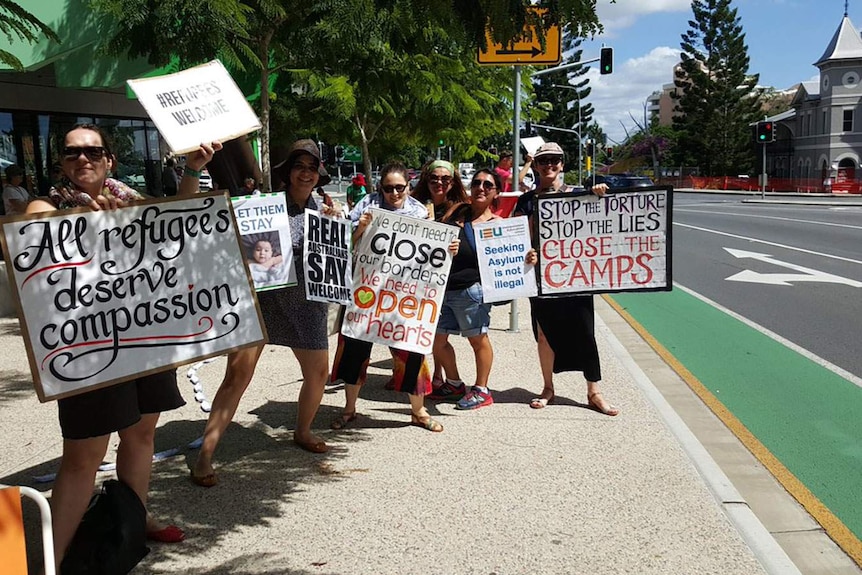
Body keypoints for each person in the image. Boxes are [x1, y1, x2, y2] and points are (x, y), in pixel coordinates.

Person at [25, 124, 188, 567]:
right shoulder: (47, 205)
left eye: (93, 151)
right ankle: (51, 561)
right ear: (61, 163)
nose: (83, 159)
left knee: (140, 434)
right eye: (72, 153)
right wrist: (87, 223)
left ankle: (130, 523)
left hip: (144, 338)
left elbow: (183, 226)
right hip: (88, 351)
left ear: (110, 160)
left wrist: (192, 169)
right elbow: (33, 239)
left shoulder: (133, 202)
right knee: (84, 455)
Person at [188, 139, 338, 489]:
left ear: (319, 175)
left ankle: (302, 431)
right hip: (261, 302)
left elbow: (339, 260)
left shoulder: (325, 211)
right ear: (288, 172)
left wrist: (346, 228)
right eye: (300, 165)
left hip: (307, 304)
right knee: (237, 376)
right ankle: (205, 454)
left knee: (318, 373)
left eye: (312, 167)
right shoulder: (264, 206)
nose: (306, 172)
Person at [330, 161, 458, 432]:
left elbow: (431, 253)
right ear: (381, 187)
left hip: (404, 296)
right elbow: (347, 245)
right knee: (355, 349)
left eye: (400, 187)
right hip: (367, 291)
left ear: (408, 187)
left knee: (412, 352)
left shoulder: (420, 212)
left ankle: (418, 411)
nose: (394, 193)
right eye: (388, 188)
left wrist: (449, 249)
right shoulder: (366, 205)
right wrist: (361, 228)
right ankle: (350, 409)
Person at [513, 142, 619, 416]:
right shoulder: (525, 202)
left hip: (577, 275)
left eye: (555, 160)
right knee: (544, 335)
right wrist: (528, 254)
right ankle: (548, 387)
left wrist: (599, 192)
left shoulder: (580, 195)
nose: (549, 165)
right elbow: (517, 239)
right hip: (541, 277)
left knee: (585, 332)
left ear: (562, 164)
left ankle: (594, 391)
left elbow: (610, 213)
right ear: (535, 165)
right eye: (543, 160)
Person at [431, 169, 503, 409]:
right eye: (477, 183)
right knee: (436, 340)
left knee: (477, 339)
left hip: (471, 291)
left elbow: (508, 259)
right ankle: (454, 383)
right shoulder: (458, 212)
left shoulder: (498, 225)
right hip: (444, 290)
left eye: (488, 185)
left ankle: (482, 389)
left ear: (496, 192)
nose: (481, 188)